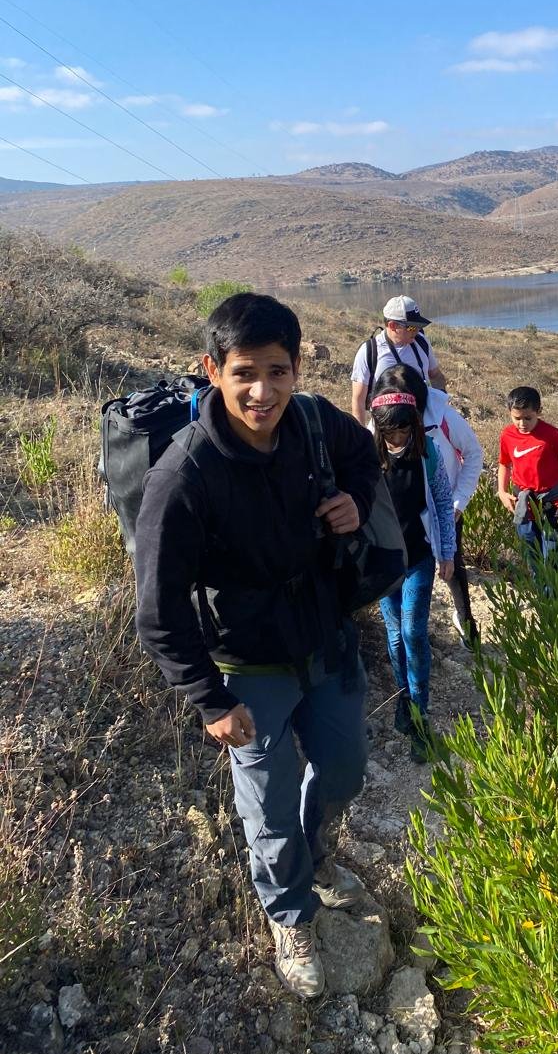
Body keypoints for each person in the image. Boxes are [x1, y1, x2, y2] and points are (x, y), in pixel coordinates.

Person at [135, 293, 381, 1001]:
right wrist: (210, 699)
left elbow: (363, 455)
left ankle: (317, 853)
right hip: (247, 667)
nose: (261, 391)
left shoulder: (309, 421)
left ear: (298, 368)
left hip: (325, 641)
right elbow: (157, 611)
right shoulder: (183, 476)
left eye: (277, 371)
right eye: (244, 372)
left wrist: (356, 501)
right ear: (212, 370)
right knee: (266, 808)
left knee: (344, 771)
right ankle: (290, 915)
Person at [368, 375, 457, 763]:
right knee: (394, 635)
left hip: (417, 556)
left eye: (404, 429)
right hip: (381, 561)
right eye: (390, 431)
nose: (397, 438)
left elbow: (441, 502)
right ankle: (404, 698)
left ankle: (421, 716)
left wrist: (448, 553)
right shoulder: (364, 454)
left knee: (412, 631)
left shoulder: (429, 452)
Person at [376, 364, 483, 648]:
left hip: (445, 507)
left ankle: (467, 625)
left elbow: (473, 454)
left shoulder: (444, 417)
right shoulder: (379, 425)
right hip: (401, 513)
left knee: (453, 566)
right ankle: (405, 633)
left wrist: (458, 501)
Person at [497, 386, 558, 569]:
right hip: (524, 502)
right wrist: (502, 492)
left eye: (528, 418)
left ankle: (555, 596)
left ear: (538, 411)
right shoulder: (507, 435)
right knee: (531, 553)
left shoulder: (551, 435)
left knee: (552, 556)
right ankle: (540, 594)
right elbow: (504, 464)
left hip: (552, 503)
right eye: (516, 418)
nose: (522, 424)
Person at [350, 296, 446, 422]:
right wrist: (360, 437)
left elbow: (436, 375)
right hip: (387, 427)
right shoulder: (369, 351)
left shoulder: (421, 342)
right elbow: (358, 400)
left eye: (419, 326)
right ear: (392, 325)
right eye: (411, 327)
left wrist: (440, 406)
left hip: (426, 422)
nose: (417, 331)